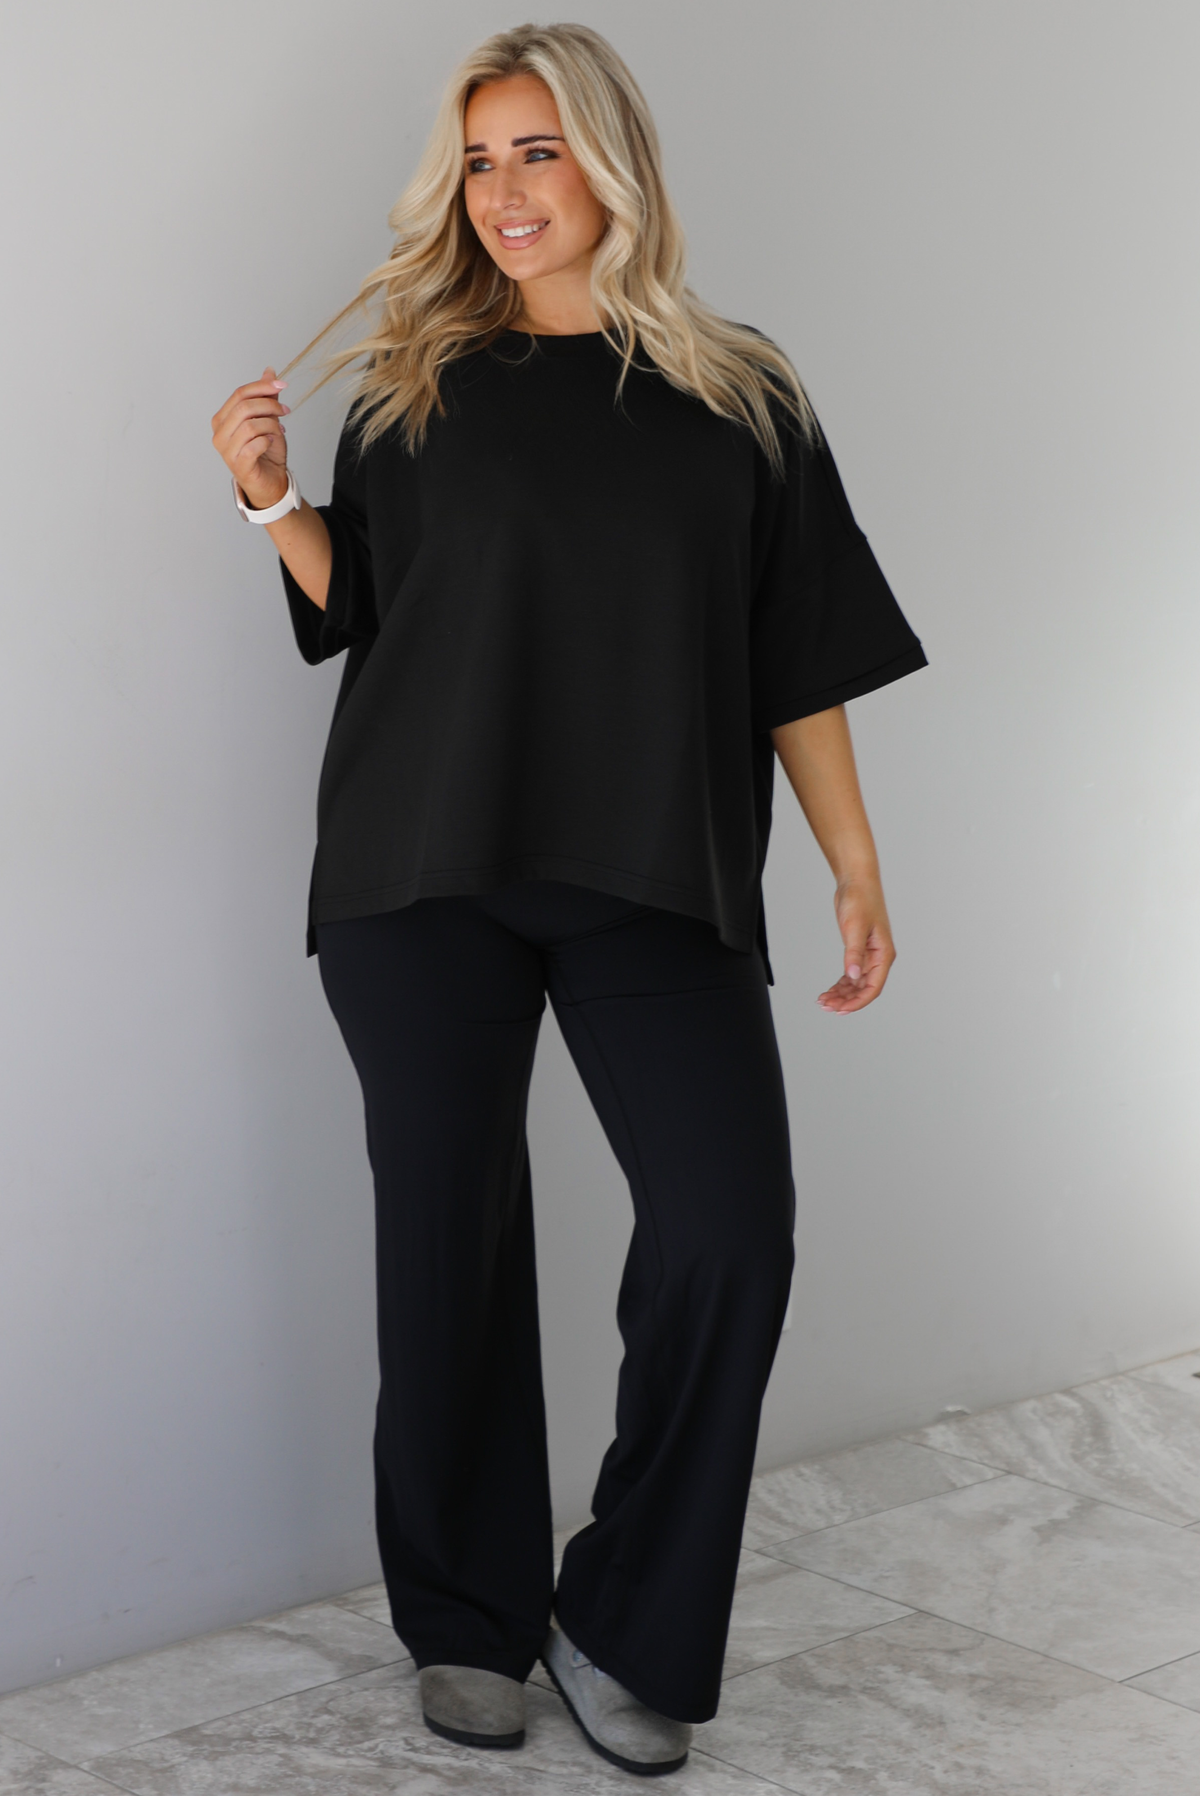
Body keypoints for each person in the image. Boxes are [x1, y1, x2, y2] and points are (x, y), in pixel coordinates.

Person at [210, 20, 925, 1779]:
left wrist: (850, 855)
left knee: (726, 1235)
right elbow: (366, 611)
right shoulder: (412, 378)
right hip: (419, 872)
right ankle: (463, 1621)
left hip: (655, 875)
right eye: (478, 159)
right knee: (444, 1248)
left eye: (537, 152)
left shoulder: (742, 390)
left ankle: (622, 1618)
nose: (507, 191)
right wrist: (275, 502)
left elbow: (799, 652)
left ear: (612, 161)